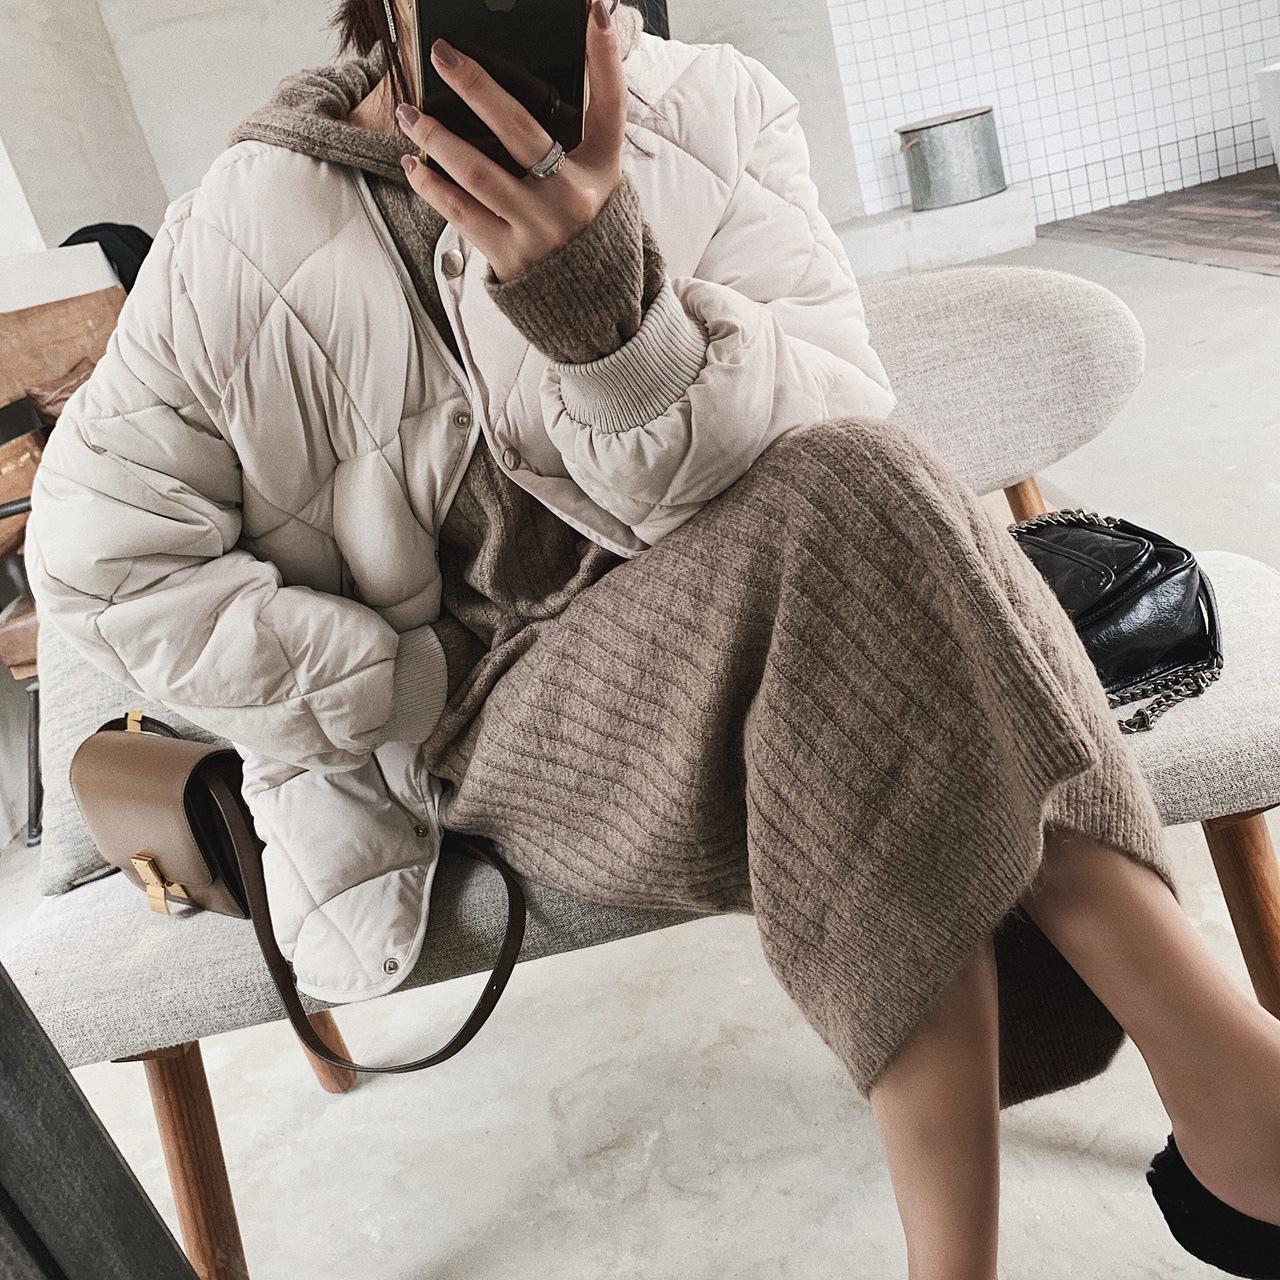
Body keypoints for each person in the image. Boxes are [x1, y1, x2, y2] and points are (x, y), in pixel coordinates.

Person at [23, 1, 1280, 1275]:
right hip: (496, 710)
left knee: (854, 523)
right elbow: (97, 557)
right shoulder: (239, 228)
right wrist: (389, 683)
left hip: (785, 621)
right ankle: (1237, 1090)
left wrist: (612, 326)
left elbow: (830, 426)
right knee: (864, 569)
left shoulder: (715, 109)